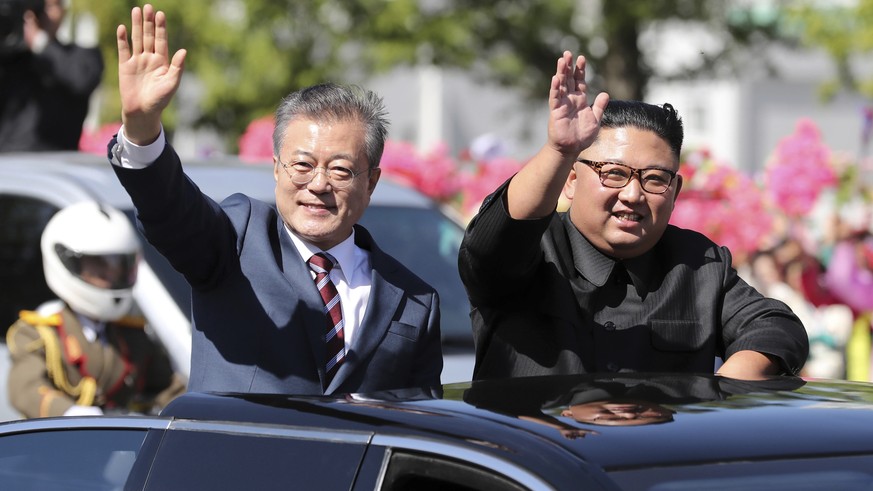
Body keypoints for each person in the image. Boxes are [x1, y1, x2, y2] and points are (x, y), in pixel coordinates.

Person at [106, 5, 442, 395]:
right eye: (302, 165)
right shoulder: (237, 238)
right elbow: (171, 210)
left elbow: (422, 422)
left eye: (340, 170)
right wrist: (143, 128)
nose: (318, 184)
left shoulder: (414, 299)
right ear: (277, 168)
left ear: (371, 182)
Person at [458, 51, 809, 381]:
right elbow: (491, 245)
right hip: (536, 447)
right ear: (572, 179)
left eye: (655, 179)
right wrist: (559, 151)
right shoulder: (532, 253)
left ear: (675, 192)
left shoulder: (698, 264)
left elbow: (775, 326)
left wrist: (723, 391)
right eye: (613, 173)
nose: (632, 194)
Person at [6, 201, 185, 418]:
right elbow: (25, 388)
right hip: (58, 443)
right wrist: (70, 413)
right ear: (69, 262)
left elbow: (169, 389)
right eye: (99, 264)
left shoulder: (131, 334)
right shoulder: (39, 333)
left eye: (119, 264)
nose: (111, 274)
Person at [0, 0, 104, 151]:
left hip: (56, 163)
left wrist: (39, 43)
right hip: (7, 165)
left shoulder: (81, 57)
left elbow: (81, 81)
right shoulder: (11, 59)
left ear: (63, 10)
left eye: (49, 6)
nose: (43, 14)